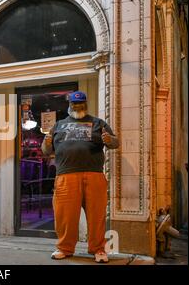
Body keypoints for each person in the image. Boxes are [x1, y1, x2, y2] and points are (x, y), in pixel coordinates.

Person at [41, 91, 119, 263]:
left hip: (94, 176)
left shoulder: (98, 123)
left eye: (80, 103)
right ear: (70, 106)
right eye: (74, 104)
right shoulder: (59, 125)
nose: (77, 106)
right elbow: (46, 151)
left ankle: (98, 249)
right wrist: (46, 143)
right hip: (66, 176)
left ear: (85, 104)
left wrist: (109, 140)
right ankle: (64, 248)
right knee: (65, 216)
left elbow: (115, 143)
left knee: (97, 216)